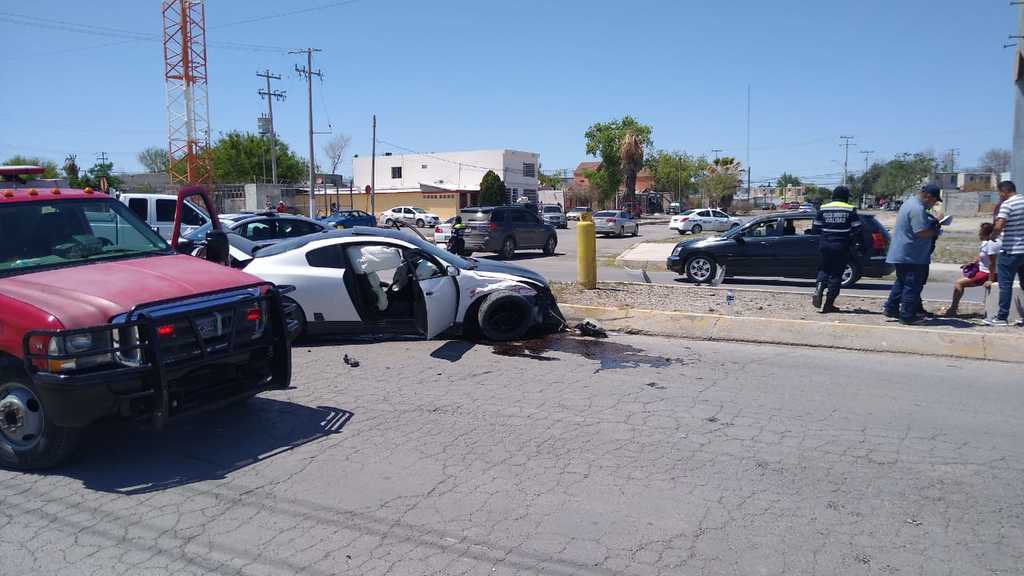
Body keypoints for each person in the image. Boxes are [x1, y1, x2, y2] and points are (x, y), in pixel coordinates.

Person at [884, 184, 942, 325]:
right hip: (911, 255)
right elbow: (920, 232)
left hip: (902, 253)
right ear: (928, 196)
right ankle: (907, 316)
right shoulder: (917, 209)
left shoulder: (909, 203)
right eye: (934, 200)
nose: (934, 203)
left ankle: (891, 308)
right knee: (912, 285)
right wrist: (936, 230)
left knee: (902, 282)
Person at [810, 186, 862, 313]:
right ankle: (829, 304)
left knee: (824, 269)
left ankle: (819, 287)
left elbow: (815, 229)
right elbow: (858, 229)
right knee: (836, 274)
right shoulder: (850, 209)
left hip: (825, 245)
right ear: (845, 196)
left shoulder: (823, 208)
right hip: (841, 245)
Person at [985, 180, 1024, 326]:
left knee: (1005, 284)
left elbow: (1000, 224)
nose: (999, 196)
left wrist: (993, 235)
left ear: (1004, 191)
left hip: (1010, 250)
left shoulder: (1007, 204)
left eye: (999, 193)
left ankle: (1001, 317)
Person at [941, 222, 1000, 317]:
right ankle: (953, 308)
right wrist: (972, 263)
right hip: (982, 270)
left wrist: (990, 279)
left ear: (986, 233)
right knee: (961, 281)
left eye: (981, 232)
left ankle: (953, 309)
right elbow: (981, 256)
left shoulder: (991, 244)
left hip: (987, 273)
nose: (979, 234)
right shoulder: (985, 243)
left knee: (959, 283)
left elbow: (992, 264)